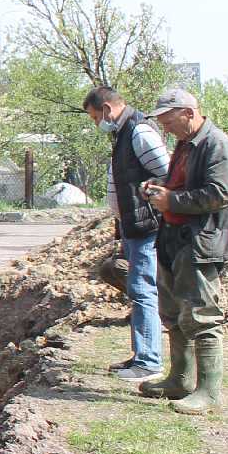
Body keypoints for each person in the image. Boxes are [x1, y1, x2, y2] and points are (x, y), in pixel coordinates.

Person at [137, 87, 228, 414]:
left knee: (203, 315)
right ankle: (180, 380)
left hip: (202, 242)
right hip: (176, 239)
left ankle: (208, 392)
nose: (165, 129)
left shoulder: (216, 145)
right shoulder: (186, 145)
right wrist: (159, 191)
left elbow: (219, 194)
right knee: (173, 314)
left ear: (188, 113)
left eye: (169, 121)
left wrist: (172, 200)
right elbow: (183, 187)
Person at [82, 86, 169, 380]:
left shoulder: (140, 132)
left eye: (95, 118)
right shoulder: (123, 133)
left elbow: (168, 175)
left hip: (146, 226)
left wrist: (149, 201)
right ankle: (140, 356)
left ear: (107, 109)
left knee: (144, 290)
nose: (97, 124)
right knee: (137, 289)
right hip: (133, 226)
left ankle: (149, 362)